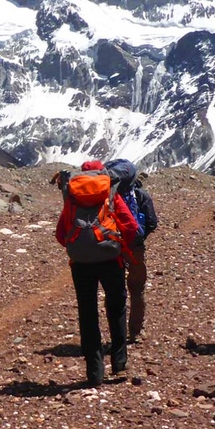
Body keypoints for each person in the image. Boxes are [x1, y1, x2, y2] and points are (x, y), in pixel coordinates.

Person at [55, 167, 141, 386]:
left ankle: (95, 372)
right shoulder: (110, 194)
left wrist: (78, 247)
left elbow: (60, 233)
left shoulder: (72, 197)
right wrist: (120, 245)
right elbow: (131, 226)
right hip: (112, 258)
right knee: (117, 307)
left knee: (87, 312)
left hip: (81, 264)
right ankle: (119, 364)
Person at [104, 160, 159, 344]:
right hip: (134, 247)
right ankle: (135, 330)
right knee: (137, 289)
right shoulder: (140, 195)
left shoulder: (107, 196)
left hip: (112, 246)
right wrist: (139, 239)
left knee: (114, 290)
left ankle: (116, 332)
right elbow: (152, 222)